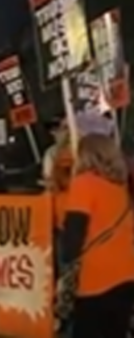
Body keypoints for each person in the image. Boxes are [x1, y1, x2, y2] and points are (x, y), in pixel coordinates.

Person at [58, 133, 134, 338]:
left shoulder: (84, 183)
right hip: (126, 276)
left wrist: (66, 259)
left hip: (97, 279)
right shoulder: (120, 188)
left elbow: (74, 236)